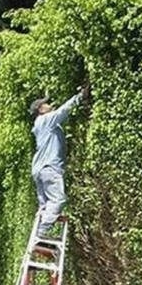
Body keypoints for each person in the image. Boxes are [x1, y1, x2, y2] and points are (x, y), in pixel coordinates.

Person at [29, 86, 89, 238]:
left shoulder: (40, 125)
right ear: (41, 109)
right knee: (58, 200)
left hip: (39, 169)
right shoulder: (46, 120)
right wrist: (80, 96)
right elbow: (63, 111)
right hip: (49, 167)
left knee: (45, 207)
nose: (50, 105)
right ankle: (40, 235)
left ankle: (37, 236)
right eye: (46, 104)